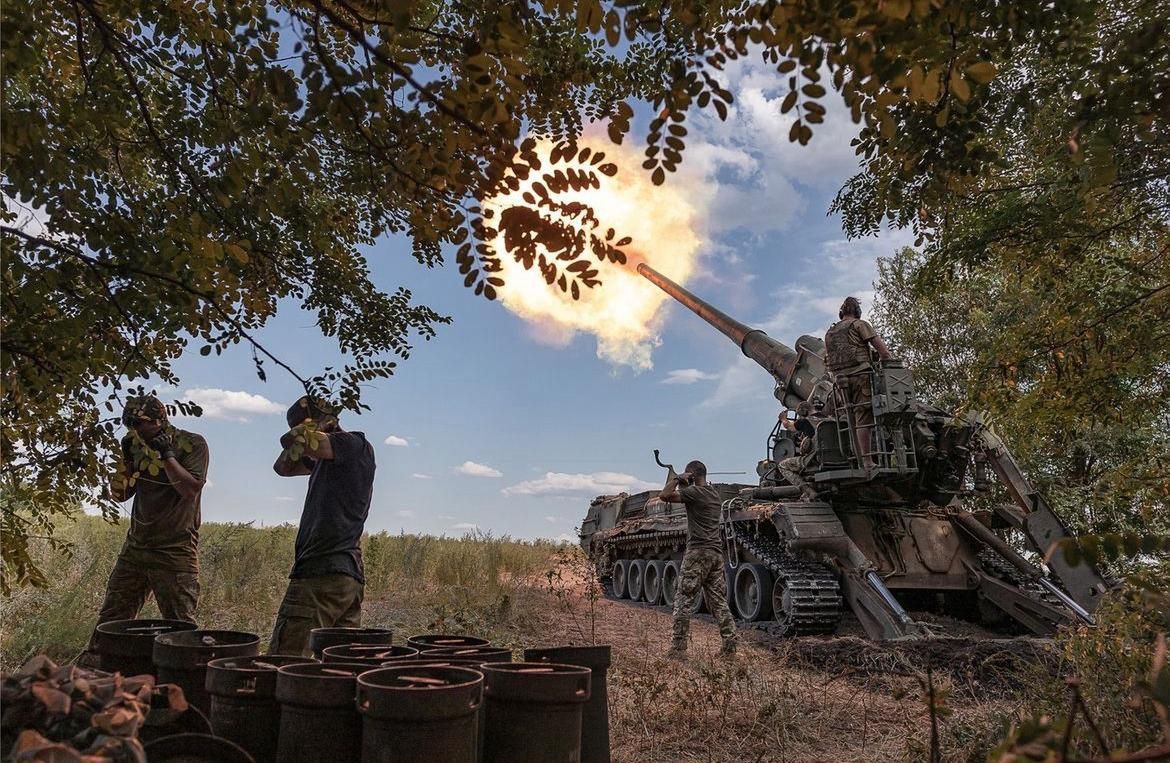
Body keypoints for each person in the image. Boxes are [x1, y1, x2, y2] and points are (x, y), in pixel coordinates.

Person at [269, 395, 376, 656]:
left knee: (287, 665)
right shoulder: (329, 460)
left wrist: (313, 429)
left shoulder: (353, 444)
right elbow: (282, 468)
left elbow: (292, 439)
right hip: (341, 576)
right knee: (339, 667)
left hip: (321, 572)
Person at [92, 395, 209, 629]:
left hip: (175, 551)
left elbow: (189, 489)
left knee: (180, 627)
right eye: (129, 425)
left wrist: (167, 455)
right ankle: (102, 664)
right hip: (136, 549)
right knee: (111, 623)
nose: (134, 430)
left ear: (159, 420)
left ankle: (181, 666)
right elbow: (119, 494)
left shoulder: (192, 443)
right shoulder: (136, 448)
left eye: (139, 424)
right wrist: (125, 460)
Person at [660, 460, 737, 658]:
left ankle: (678, 649)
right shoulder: (713, 494)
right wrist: (687, 482)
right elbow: (692, 499)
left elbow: (665, 495)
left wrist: (678, 478)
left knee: (684, 599)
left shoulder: (696, 493)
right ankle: (729, 647)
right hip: (715, 554)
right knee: (718, 601)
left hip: (697, 552)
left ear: (692, 474)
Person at [823, 296, 892, 472]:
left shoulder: (830, 332)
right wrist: (888, 361)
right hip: (861, 376)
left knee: (851, 417)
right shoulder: (859, 324)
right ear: (857, 311)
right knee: (864, 419)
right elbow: (881, 349)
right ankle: (868, 462)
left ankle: (857, 460)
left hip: (840, 381)